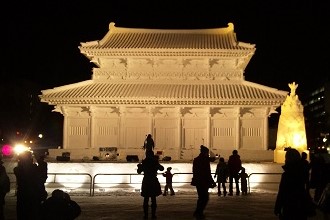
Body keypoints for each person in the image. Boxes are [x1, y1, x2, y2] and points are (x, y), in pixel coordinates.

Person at [274, 148, 315, 220]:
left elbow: (282, 192)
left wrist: (278, 207)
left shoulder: (287, 175)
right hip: (301, 205)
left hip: (289, 206)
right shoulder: (302, 172)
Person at [14, 151, 44, 220]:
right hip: (34, 194)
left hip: (23, 194)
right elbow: (42, 166)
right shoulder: (35, 169)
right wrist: (38, 159)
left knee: (22, 213)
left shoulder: (17, 169)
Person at [137, 150, 164, 219]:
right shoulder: (154, 162)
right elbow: (162, 168)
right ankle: (153, 215)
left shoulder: (144, 162)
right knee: (153, 198)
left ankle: (145, 215)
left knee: (146, 199)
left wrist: (139, 167)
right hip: (153, 180)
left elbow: (139, 172)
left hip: (146, 180)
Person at [191, 145, 216, 219]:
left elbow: (194, 171)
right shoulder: (205, 160)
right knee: (205, 198)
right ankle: (199, 211)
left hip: (198, 181)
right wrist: (212, 181)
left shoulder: (196, 159)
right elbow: (207, 172)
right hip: (204, 181)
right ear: (205, 152)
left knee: (201, 197)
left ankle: (198, 211)